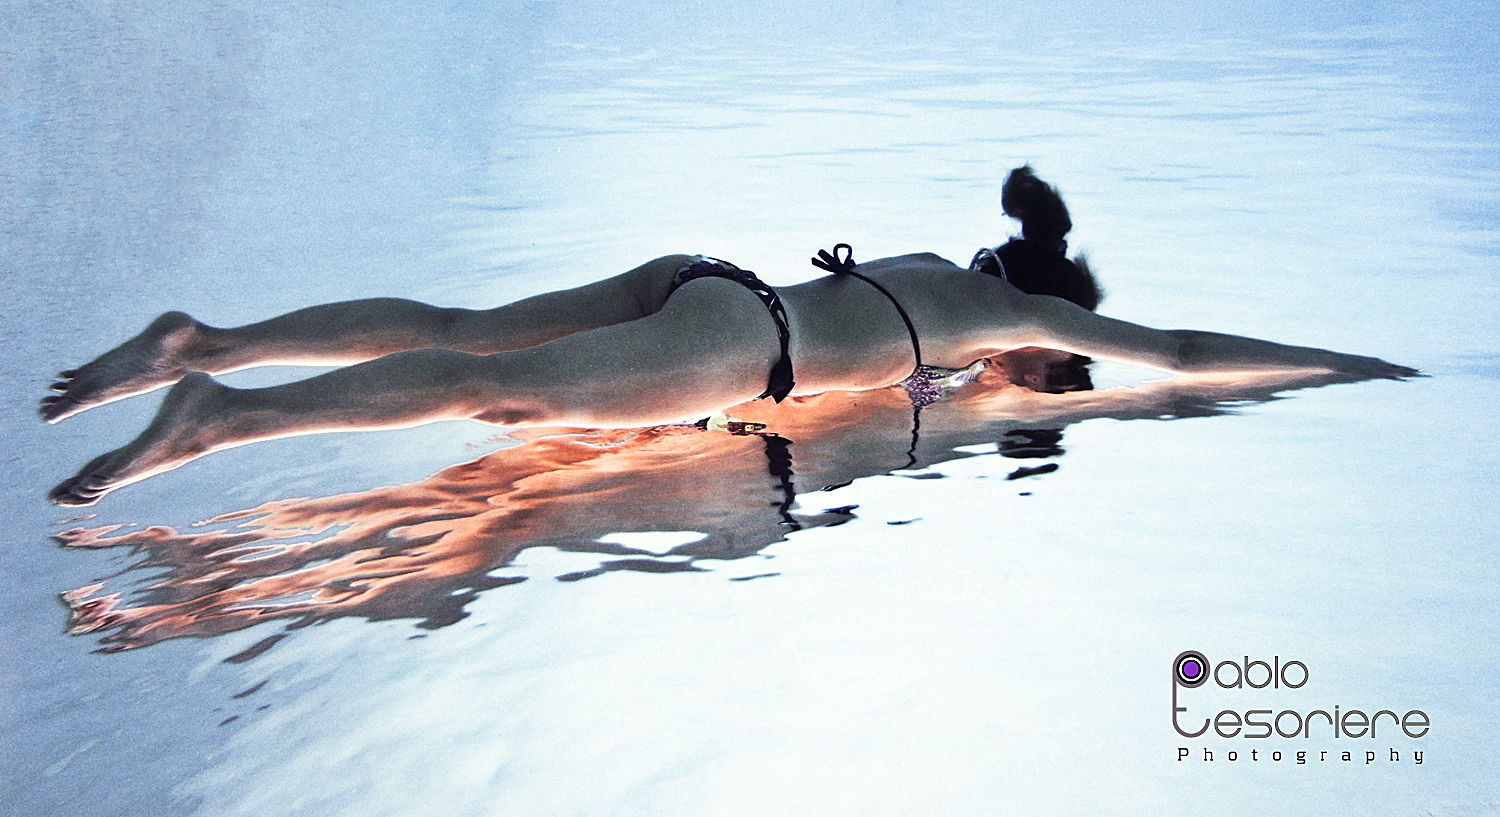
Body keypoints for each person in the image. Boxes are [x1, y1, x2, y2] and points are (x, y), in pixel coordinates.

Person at [42, 167, 1416, 506]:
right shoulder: (1012, 313)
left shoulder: (937, 266)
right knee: (494, 392)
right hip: (732, 346)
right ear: (1048, 306)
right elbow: (1174, 346)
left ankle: (202, 337)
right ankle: (218, 410)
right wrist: (1335, 364)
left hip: (708, 280)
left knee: (461, 331)